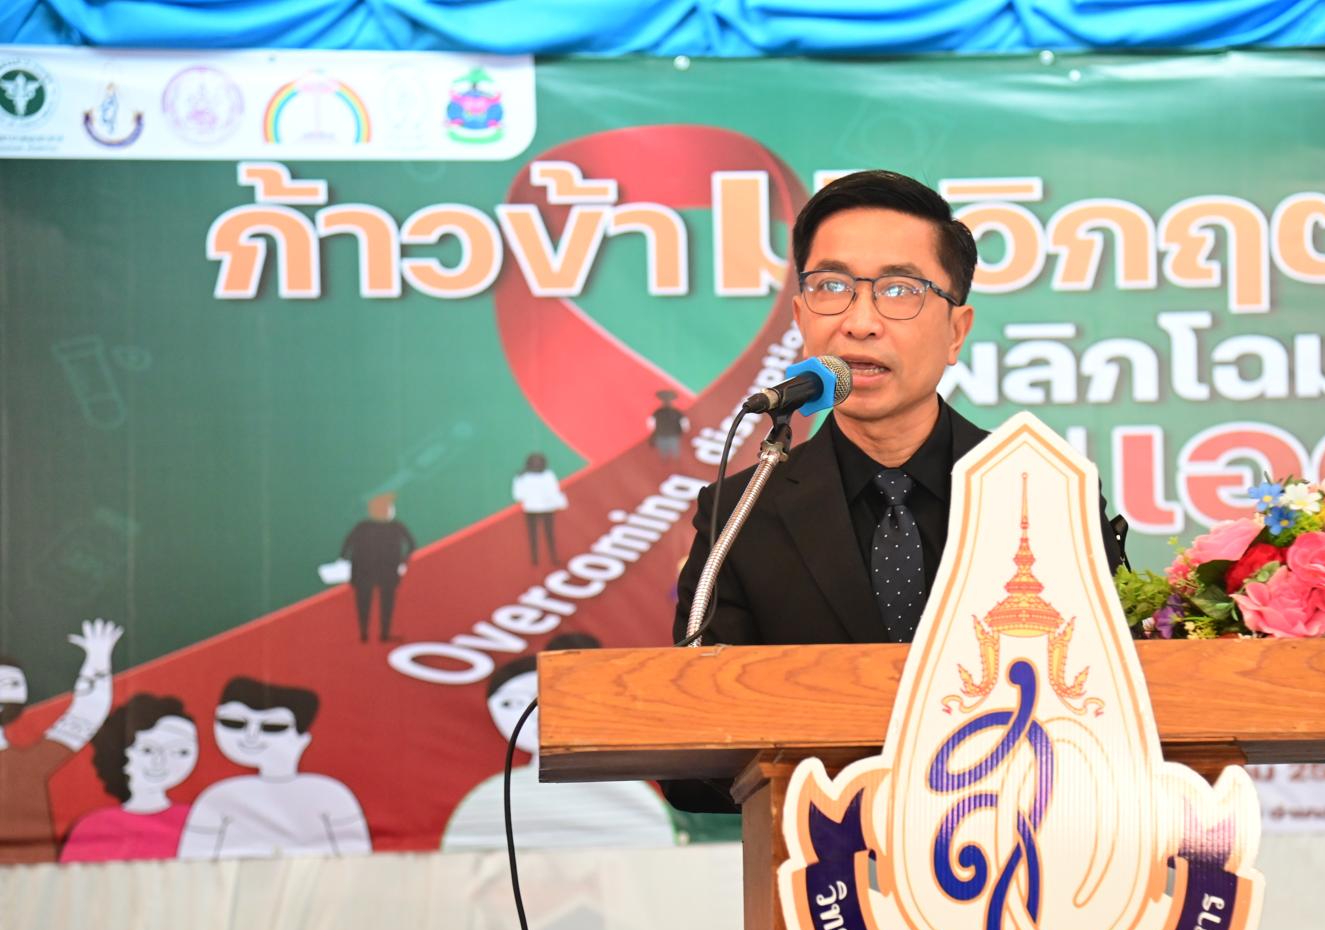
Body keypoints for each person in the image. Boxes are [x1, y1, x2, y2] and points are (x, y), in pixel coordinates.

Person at [669, 170, 1127, 811]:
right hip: (823, 852)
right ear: (801, 318)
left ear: (957, 331)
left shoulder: (1047, 493)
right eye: (832, 287)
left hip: (1020, 843)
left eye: (899, 291)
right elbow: (696, 755)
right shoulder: (742, 513)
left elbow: (1113, 710)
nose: (859, 323)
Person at [440, 633, 680, 851]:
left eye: (548, 699)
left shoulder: (633, 793)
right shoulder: (494, 797)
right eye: (511, 704)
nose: (536, 715)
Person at [177, 677, 371, 859]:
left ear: (303, 738)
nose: (251, 736)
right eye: (234, 723)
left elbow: (360, 862)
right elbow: (189, 865)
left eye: (273, 726)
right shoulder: (216, 797)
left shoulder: (332, 795)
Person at [0, 619, 124, 863]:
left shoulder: (26, 765)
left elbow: (84, 717)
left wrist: (97, 664)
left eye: (12, 684)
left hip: (31, 877)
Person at [61, 694, 197, 862]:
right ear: (119, 753)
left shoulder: (200, 819)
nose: (160, 761)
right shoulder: (94, 826)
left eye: (181, 751)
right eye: (147, 750)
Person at [341, 492, 416, 642]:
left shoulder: (388, 526)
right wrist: (403, 562)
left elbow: (411, 545)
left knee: (377, 602)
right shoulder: (368, 527)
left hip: (377, 573)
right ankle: (370, 634)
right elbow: (411, 545)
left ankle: (376, 634)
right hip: (372, 573)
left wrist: (403, 562)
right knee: (372, 602)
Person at [512, 452, 567, 566]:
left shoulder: (521, 477)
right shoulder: (548, 475)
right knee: (549, 534)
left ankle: (535, 559)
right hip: (544, 508)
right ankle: (552, 557)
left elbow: (518, 496)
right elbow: (553, 492)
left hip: (533, 508)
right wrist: (561, 502)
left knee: (534, 535)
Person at [648, 390, 689, 460]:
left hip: (668, 435)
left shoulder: (675, 412)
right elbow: (684, 423)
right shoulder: (659, 412)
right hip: (666, 435)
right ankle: (668, 461)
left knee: (672, 452)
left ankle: (671, 461)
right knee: (666, 452)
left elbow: (651, 424)